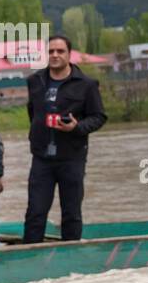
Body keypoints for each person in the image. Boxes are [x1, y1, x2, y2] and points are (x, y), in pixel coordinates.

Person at [22, 34, 107, 242]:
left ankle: (70, 253)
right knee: (35, 211)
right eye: (51, 51)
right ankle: (29, 255)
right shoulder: (35, 81)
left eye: (60, 51)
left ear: (69, 54)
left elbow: (98, 117)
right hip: (41, 158)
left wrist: (77, 128)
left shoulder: (86, 84)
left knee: (71, 212)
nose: (55, 55)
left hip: (72, 157)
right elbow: (33, 112)